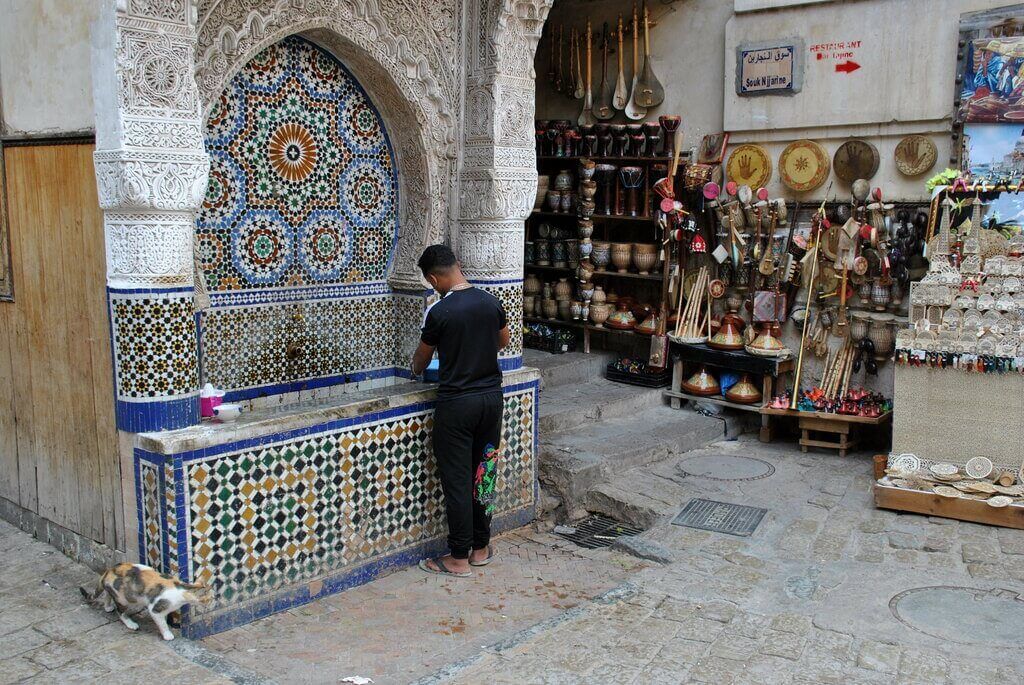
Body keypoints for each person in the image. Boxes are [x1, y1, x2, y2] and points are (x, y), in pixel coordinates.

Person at [411, 245, 510, 577]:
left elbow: (421, 360)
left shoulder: (440, 312)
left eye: (430, 282)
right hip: (491, 401)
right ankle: (480, 549)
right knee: (484, 473)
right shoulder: (491, 302)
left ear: (434, 277)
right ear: (459, 265)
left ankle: (457, 558)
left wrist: (416, 366)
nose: (433, 287)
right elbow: (503, 341)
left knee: (457, 479)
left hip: (457, 404)